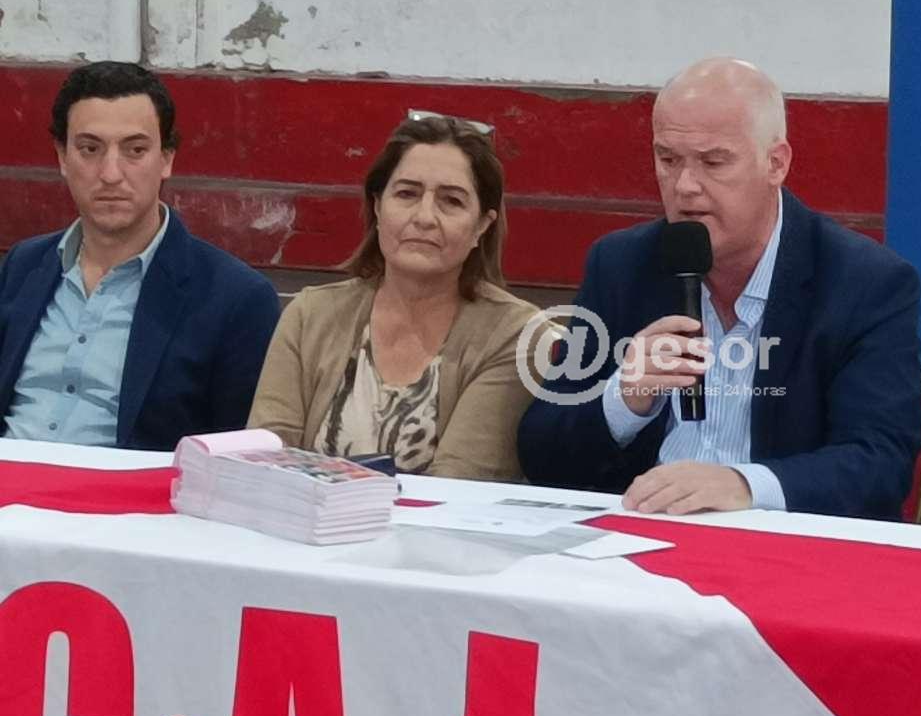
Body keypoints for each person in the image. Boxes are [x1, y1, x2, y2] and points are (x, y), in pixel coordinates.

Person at [516, 57, 921, 518]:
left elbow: (879, 464)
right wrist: (623, 400)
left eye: (713, 162)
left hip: (782, 541)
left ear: (776, 163)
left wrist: (744, 484)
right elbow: (539, 452)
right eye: (668, 160)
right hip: (640, 533)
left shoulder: (864, 282)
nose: (685, 186)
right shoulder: (622, 264)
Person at [0, 61, 280, 451]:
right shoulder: (24, 265)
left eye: (135, 150)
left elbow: (235, 456)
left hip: (127, 488)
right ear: (62, 157)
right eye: (90, 149)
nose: (110, 173)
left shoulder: (235, 298)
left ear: (166, 159)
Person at [249, 114, 544, 481]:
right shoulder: (310, 314)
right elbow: (265, 458)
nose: (424, 217)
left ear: (482, 225)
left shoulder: (517, 335)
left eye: (451, 201)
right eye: (407, 194)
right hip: (304, 516)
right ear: (377, 206)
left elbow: (458, 484)